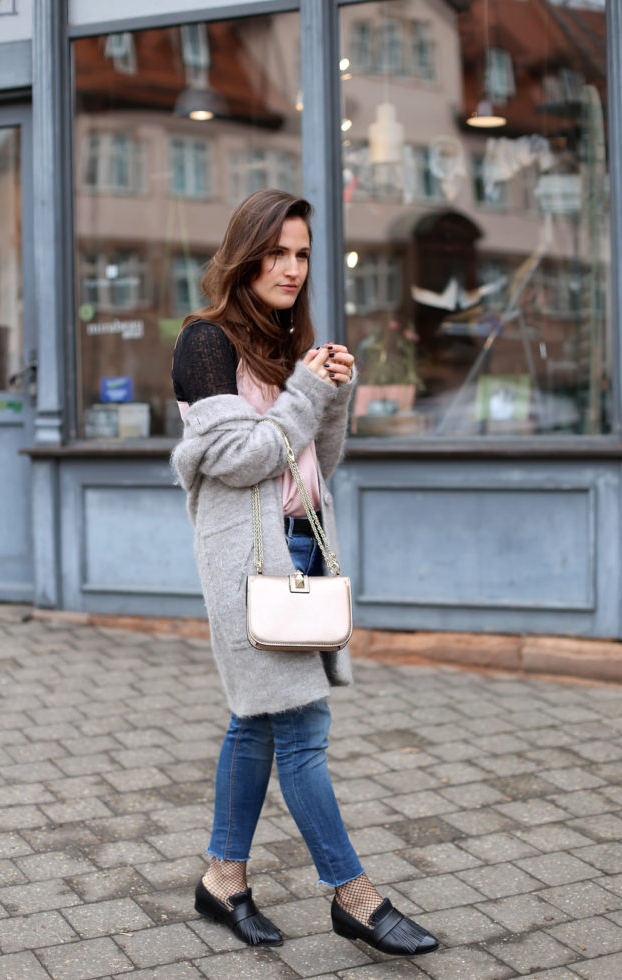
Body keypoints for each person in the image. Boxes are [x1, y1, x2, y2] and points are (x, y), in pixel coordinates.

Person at [170, 189, 438, 958]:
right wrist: (306, 394)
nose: (291, 268)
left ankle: (222, 877)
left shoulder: (282, 347)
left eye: (302, 254)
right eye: (277, 252)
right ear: (245, 253)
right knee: (303, 731)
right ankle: (354, 896)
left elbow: (316, 460)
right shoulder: (204, 342)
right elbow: (239, 457)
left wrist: (331, 393)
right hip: (247, 559)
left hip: (301, 547)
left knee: (255, 722)